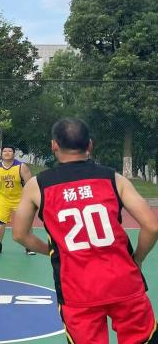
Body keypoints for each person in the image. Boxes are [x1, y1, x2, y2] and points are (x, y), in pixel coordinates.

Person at [13, 118, 158, 343]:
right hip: (124, 280)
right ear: (89, 144)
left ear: (54, 145)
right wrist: (137, 259)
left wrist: (52, 250)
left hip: (77, 289)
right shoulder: (113, 178)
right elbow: (152, 226)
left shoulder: (38, 185)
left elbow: (19, 234)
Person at [0, 145, 33, 255]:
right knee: (0, 221)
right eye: (5, 151)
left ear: (14, 154)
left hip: (20, 198)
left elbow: (30, 184)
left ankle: (29, 245)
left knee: (26, 222)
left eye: (10, 151)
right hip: (3, 198)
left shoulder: (21, 166)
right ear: (1, 153)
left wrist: (30, 199)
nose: (7, 153)